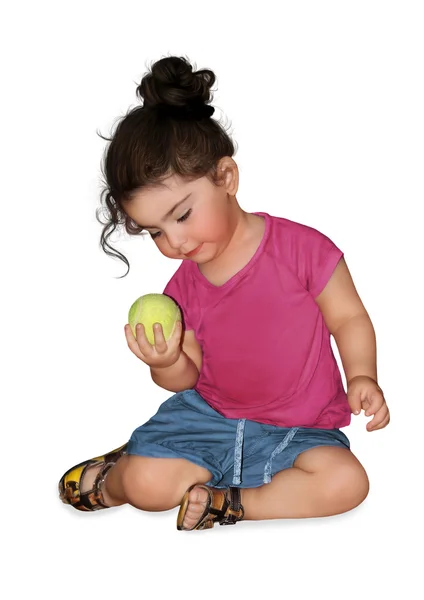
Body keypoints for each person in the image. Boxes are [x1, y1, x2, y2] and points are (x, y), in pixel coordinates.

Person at [58, 55, 390, 531]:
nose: (175, 243)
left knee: (347, 485)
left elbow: (349, 318)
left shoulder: (302, 249)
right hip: (208, 418)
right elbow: (185, 378)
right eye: (154, 232)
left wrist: (363, 375)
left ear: (226, 178)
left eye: (182, 215)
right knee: (149, 488)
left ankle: (228, 503)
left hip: (302, 430)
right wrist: (164, 360)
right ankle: (116, 479)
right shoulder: (181, 290)